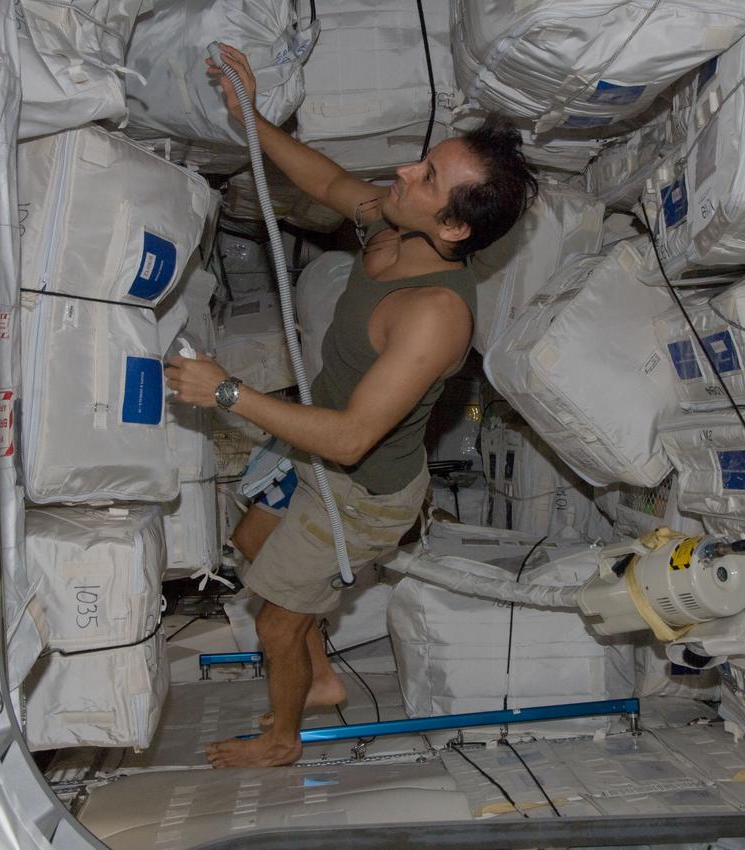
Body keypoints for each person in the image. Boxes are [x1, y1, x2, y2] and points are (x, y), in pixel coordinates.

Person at [165, 43, 538, 768]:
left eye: (427, 177)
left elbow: (351, 440)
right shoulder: (395, 224)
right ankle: (325, 677)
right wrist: (251, 117)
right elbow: (328, 180)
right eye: (421, 161)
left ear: (455, 229)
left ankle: (281, 740)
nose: (404, 172)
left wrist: (227, 392)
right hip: (314, 445)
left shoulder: (434, 315)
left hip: (363, 489)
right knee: (251, 545)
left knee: (276, 622)